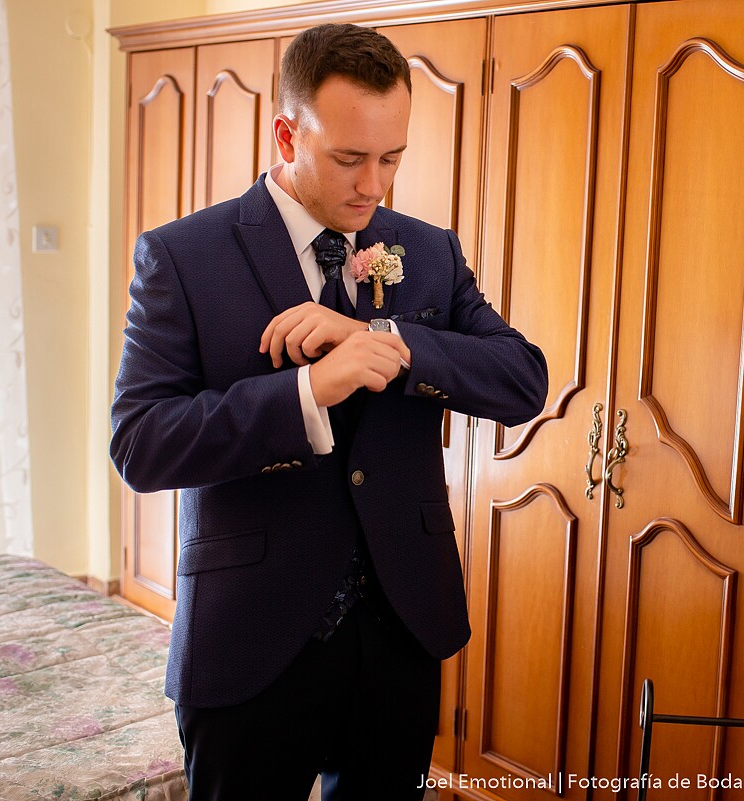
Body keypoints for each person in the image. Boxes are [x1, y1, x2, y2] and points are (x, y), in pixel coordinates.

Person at [110, 23, 548, 801]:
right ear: (287, 133)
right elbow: (141, 443)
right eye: (349, 158)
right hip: (249, 640)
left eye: (391, 158)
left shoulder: (429, 252)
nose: (373, 185)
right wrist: (306, 392)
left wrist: (384, 337)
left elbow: (522, 380)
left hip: (403, 628)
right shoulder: (181, 255)